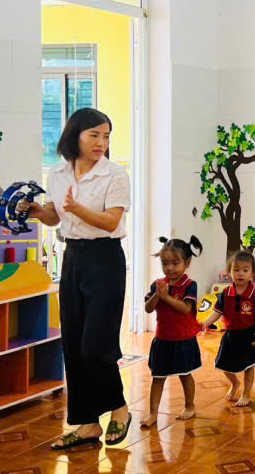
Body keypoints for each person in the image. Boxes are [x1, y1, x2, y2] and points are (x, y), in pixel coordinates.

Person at [26, 107, 134, 450]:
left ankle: (119, 407)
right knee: (72, 344)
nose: (101, 143)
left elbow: (111, 222)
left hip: (106, 259)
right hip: (73, 258)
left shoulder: (115, 174)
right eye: (94, 135)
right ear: (75, 136)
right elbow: (54, 217)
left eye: (106, 136)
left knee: (97, 344)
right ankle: (87, 424)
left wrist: (77, 209)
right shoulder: (57, 173)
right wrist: (36, 212)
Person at [141, 236, 204, 426]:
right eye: (165, 263)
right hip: (162, 339)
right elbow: (148, 308)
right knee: (158, 378)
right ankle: (153, 413)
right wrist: (157, 295)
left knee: (185, 375)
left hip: (183, 340)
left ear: (187, 263)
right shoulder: (158, 284)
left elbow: (185, 309)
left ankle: (190, 406)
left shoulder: (190, 285)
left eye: (175, 263)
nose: (170, 268)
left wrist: (166, 297)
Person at [202, 252, 255, 407]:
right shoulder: (225, 293)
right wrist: (204, 323)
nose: (240, 273)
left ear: (252, 274)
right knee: (222, 364)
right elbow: (217, 313)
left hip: (249, 334)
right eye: (236, 270)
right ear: (230, 272)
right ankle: (235, 382)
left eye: (245, 270)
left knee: (249, 366)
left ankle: (246, 394)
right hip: (230, 335)